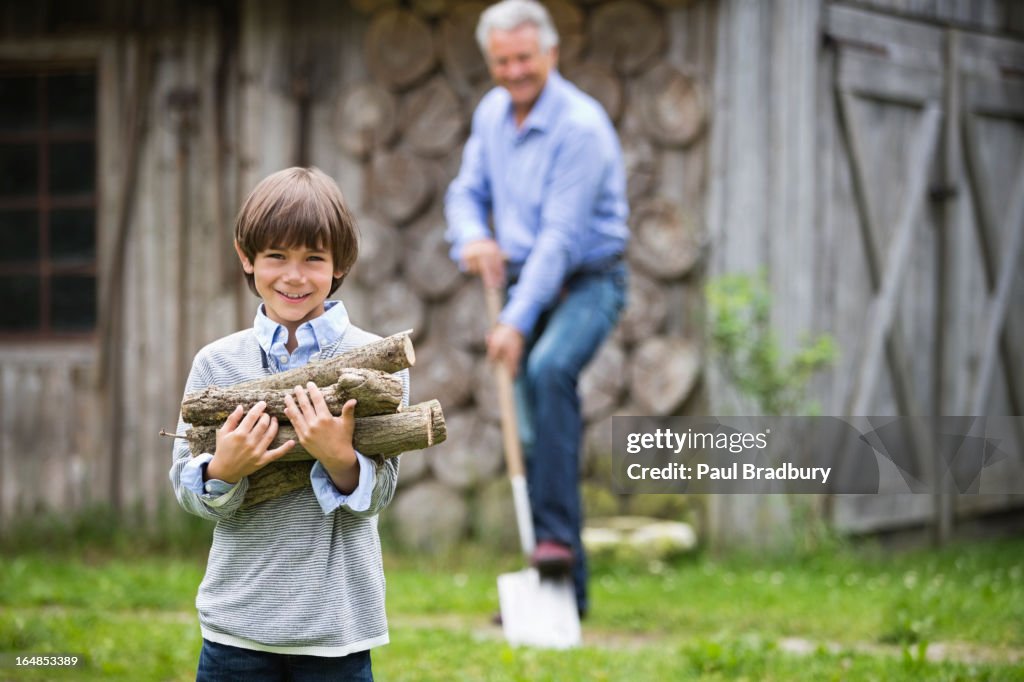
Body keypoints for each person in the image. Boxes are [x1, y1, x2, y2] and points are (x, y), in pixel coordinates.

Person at [169, 167, 406, 681]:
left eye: (313, 258)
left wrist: (338, 457)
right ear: (246, 257)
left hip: (336, 630)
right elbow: (187, 492)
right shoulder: (217, 365)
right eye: (276, 256)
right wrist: (223, 470)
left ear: (339, 262)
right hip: (236, 628)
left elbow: (381, 493)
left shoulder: (374, 364)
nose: (293, 276)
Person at [445, 0, 629, 617]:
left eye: (524, 58)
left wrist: (514, 323)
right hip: (525, 280)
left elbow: (559, 239)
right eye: (502, 61)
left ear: (550, 53)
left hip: (587, 282)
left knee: (550, 373)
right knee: (533, 430)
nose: (514, 71)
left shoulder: (582, 128)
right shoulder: (492, 114)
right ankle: (559, 593)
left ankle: (554, 553)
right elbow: (466, 191)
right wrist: (472, 235)